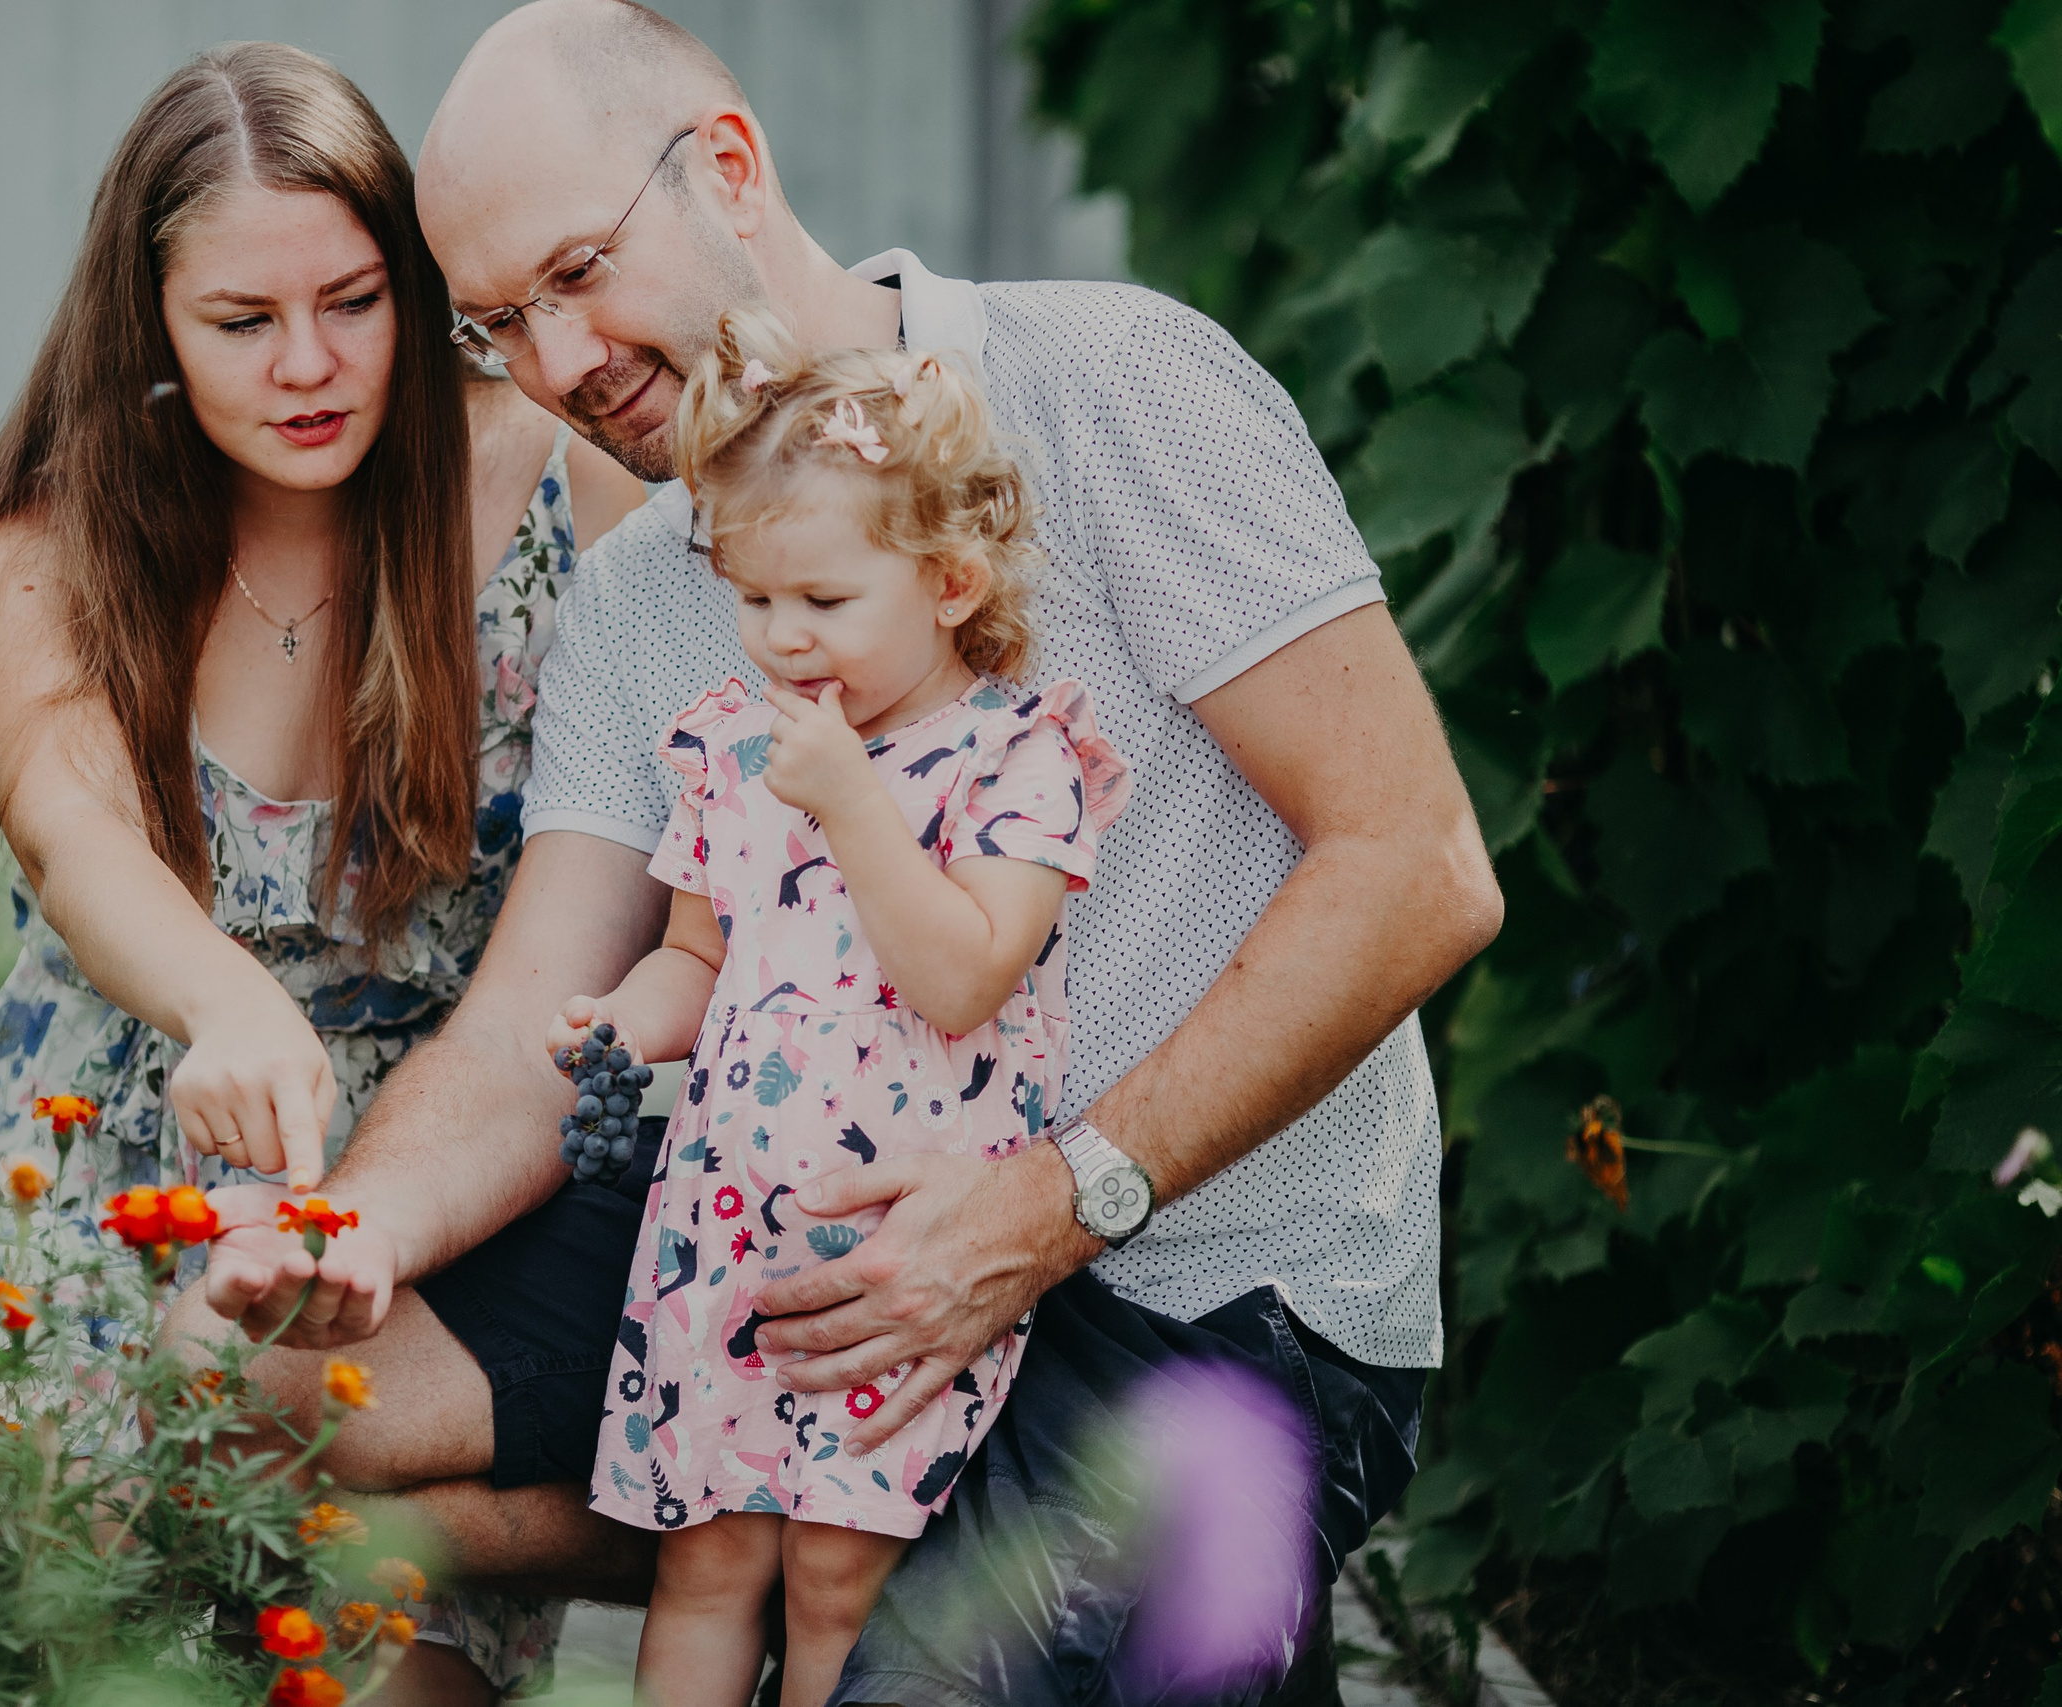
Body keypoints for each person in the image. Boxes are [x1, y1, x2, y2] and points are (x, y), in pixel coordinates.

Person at [171, 5, 1505, 1702]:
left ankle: (1035, 1603)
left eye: (579, 272)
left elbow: (1416, 862)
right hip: (783, 1225)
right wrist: (347, 1230)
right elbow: (525, 1029)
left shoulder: (1109, 385)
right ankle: (746, 1528)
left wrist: (1042, 1207)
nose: (557, 360)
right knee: (258, 1378)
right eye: (498, 324)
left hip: (1193, 1283)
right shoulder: (646, 591)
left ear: (728, 167)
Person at [0, 43, 643, 1284]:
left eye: (352, 302)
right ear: (149, 320)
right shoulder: (37, 562)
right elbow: (76, 839)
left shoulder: (564, 483)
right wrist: (227, 1003)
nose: (307, 365)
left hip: (464, 1165)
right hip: (104, 1170)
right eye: (243, 321)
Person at [554, 309, 1129, 1707]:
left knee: (832, 1576)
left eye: (822, 600)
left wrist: (853, 803)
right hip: (724, 1236)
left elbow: (966, 975)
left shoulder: (1012, 758)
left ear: (949, 582)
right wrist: (621, 1018)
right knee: (704, 1561)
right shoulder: (732, 746)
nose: (783, 637)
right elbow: (697, 956)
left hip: (896, 1263)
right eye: (756, 601)